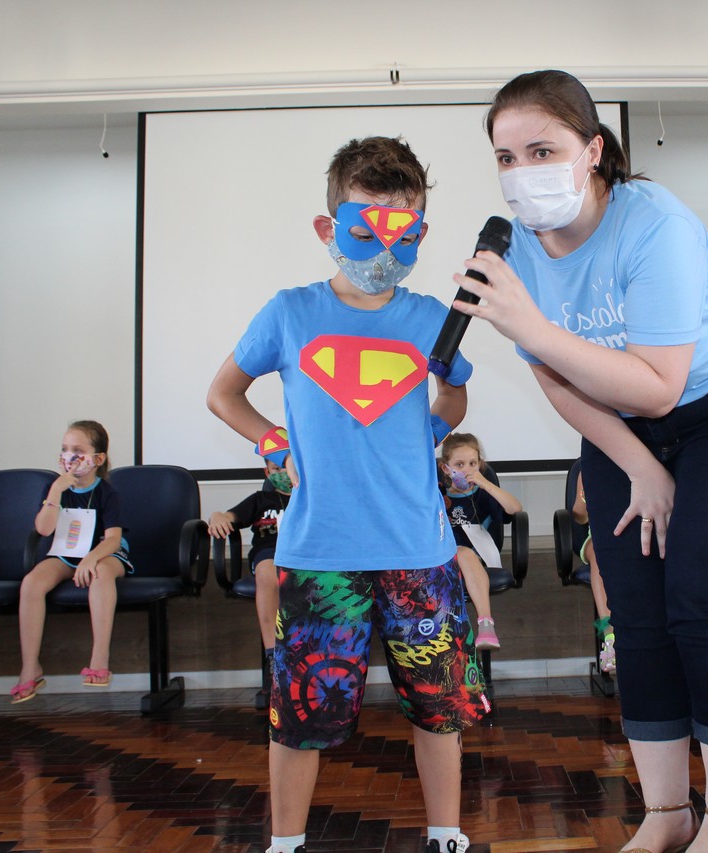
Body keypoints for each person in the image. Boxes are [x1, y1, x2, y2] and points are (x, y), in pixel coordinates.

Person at [453, 69, 708, 853]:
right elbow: (557, 381)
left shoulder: (655, 223)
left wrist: (534, 328)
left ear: (594, 150)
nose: (522, 172)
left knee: (702, 602)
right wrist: (639, 465)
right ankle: (666, 812)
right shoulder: (512, 250)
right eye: (506, 157)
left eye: (542, 150)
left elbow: (661, 382)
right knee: (635, 616)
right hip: (617, 424)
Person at [207, 136, 489, 853]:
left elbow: (450, 406)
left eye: (405, 233)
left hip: (418, 549)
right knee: (300, 715)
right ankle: (286, 843)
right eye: (367, 231)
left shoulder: (431, 317)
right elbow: (224, 394)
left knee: (438, 710)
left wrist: (438, 411)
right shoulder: (289, 312)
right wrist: (275, 444)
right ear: (328, 228)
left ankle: (446, 834)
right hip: (319, 551)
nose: (385, 251)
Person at [11, 420, 131, 702]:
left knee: (101, 572)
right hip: (67, 552)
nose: (69, 456)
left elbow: (113, 539)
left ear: (97, 459)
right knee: (32, 583)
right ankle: (30, 667)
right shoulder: (55, 489)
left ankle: (99, 658)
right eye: (65, 449)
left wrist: (91, 558)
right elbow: (44, 529)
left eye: (77, 450)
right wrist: (55, 492)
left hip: (104, 553)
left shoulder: (107, 492)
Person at [438, 432, 524, 650]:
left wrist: (486, 484)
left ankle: (486, 625)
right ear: (445, 468)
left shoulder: (482, 495)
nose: (467, 470)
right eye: (459, 464)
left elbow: (515, 509)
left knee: (465, 553)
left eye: (472, 464)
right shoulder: (436, 495)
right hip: (442, 560)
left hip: (474, 559)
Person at [207, 458, 292, 652]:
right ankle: (273, 652)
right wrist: (217, 516)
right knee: (267, 574)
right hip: (268, 552)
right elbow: (227, 516)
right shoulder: (260, 500)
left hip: (303, 553)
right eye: (276, 469)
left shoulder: (310, 499)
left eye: (286, 467)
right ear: (267, 472)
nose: (282, 473)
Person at [572, 472, 616, 672]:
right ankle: (610, 636)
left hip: (636, 530)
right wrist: (584, 502)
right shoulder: (588, 468)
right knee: (599, 553)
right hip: (599, 533)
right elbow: (580, 516)